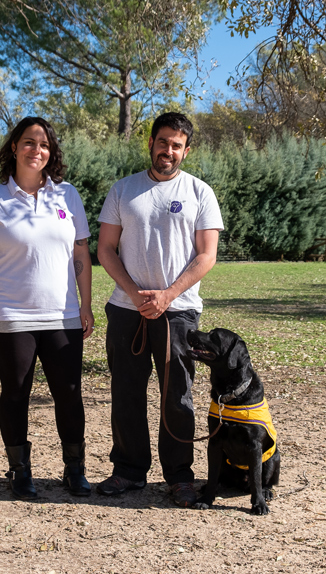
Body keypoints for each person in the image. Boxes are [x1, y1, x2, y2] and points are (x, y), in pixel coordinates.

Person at [95, 112, 224, 507]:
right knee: (126, 393)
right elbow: (104, 249)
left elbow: (206, 256)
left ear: (187, 150)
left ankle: (180, 476)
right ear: (150, 142)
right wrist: (136, 294)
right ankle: (129, 471)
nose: (169, 150)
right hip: (126, 310)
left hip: (178, 311)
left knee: (177, 397)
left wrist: (167, 295)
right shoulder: (123, 190)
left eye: (177, 145)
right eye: (163, 141)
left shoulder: (200, 192)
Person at [0, 116, 94, 499]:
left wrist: (85, 305)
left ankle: (75, 470)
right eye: (28, 142)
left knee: (69, 394)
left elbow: (82, 254)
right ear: (13, 148)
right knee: (16, 393)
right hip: (10, 317)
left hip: (63, 316)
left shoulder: (67, 195)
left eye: (43, 144)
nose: (35, 149)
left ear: (50, 152)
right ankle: (20, 471)